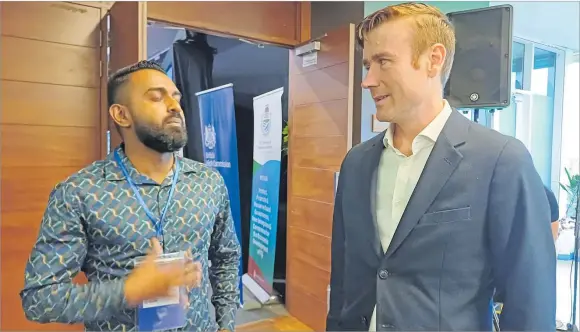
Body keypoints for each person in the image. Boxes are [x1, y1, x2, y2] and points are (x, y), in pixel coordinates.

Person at [327, 3, 556, 331]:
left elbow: (530, 301)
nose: (368, 80)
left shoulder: (501, 161)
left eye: (383, 62)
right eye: (367, 65)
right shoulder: (356, 163)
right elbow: (344, 280)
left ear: (433, 60)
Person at [20, 60, 241, 332]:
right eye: (156, 97)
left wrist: (227, 324)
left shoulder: (208, 182)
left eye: (175, 97)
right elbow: (39, 299)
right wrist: (130, 290)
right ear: (121, 115)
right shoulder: (79, 193)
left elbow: (226, 256)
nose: (174, 106)